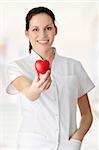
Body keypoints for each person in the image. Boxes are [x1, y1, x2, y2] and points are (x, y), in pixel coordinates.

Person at [6, 6, 95, 150]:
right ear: (27, 33)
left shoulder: (74, 66)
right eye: (35, 29)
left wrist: (77, 139)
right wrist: (36, 88)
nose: (42, 34)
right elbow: (29, 93)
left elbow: (87, 114)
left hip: (68, 146)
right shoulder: (17, 67)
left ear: (56, 30)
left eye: (48, 28)